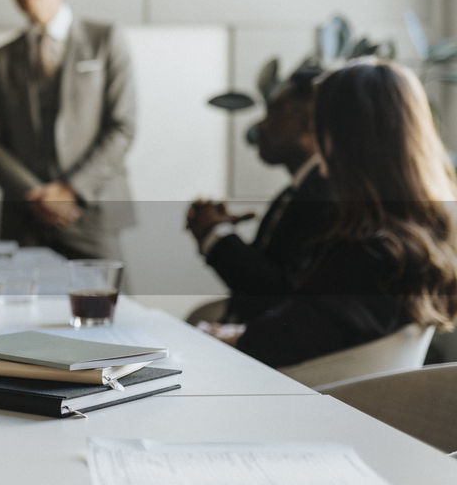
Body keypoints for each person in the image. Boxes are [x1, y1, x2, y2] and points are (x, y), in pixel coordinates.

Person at [230, 59, 457, 367]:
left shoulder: (366, 252)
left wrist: (234, 338)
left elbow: (283, 342)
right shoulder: (424, 237)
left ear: (340, 139)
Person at [0, 0, 136, 261]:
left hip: (90, 210)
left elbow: (122, 126)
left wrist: (71, 191)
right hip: (26, 217)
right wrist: (35, 196)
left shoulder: (104, 40)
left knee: (107, 307)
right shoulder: (0, 59)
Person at [185, 65, 334, 323]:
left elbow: (273, 293)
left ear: (306, 123)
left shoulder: (323, 192)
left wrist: (215, 234)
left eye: (274, 114)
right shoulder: (296, 190)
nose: (261, 125)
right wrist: (220, 233)